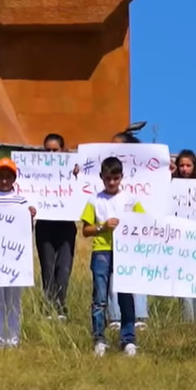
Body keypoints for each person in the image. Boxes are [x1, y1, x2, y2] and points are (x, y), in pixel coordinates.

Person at [82, 156, 145, 356]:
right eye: (108, 178)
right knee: (100, 297)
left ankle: (128, 339)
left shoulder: (130, 199)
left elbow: (143, 221)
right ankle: (99, 339)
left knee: (126, 296)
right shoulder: (95, 200)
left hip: (125, 252)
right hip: (102, 250)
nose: (111, 182)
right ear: (101, 177)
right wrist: (103, 226)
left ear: (121, 178)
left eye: (115, 178)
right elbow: (85, 229)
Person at [0, 158, 38, 348]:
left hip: (15, 259)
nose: (4, 180)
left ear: (14, 178)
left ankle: (13, 337)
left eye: (8, 177)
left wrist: (30, 217)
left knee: (14, 300)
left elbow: (26, 232)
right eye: (0, 176)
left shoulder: (22, 202)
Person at [107, 131, 149, 331]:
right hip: (110, 237)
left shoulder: (143, 170)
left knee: (136, 273)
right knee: (114, 275)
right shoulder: (105, 168)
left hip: (135, 235)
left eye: (118, 145)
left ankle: (139, 315)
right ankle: (115, 316)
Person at [34, 133, 78, 320]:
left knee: (64, 267)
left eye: (55, 150)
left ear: (64, 150)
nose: (52, 153)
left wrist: (78, 176)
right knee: (48, 267)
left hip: (66, 225)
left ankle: (60, 306)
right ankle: (49, 308)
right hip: (44, 225)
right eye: (48, 150)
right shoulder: (36, 170)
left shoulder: (74, 170)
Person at [172, 149, 196, 324]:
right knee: (183, 279)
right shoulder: (171, 187)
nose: (184, 169)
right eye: (181, 165)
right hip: (179, 242)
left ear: (194, 167)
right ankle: (187, 320)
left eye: (188, 165)